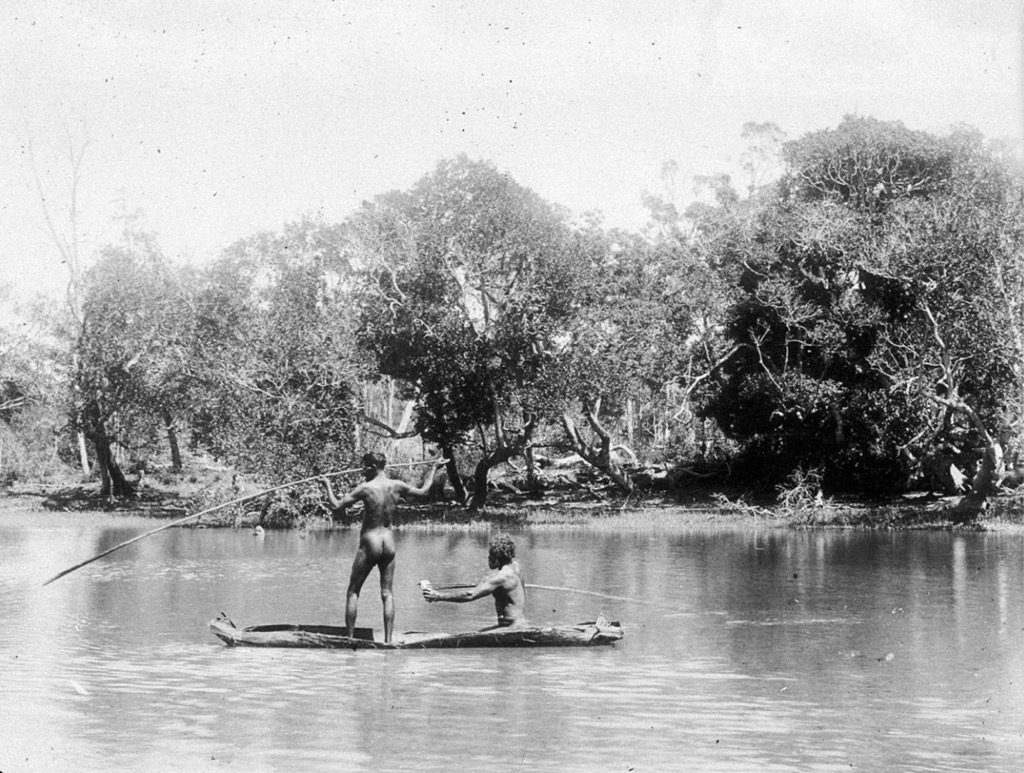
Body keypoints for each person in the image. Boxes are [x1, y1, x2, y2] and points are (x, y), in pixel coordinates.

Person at [320, 453, 444, 643]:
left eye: (365, 467)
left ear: (375, 466)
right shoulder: (397, 485)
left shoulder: (365, 488)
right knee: (388, 593)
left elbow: (336, 505)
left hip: (370, 542)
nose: (362, 470)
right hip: (389, 543)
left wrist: (327, 485)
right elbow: (424, 491)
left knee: (353, 592)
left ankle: (350, 640)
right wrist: (434, 468)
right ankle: (388, 641)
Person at [420, 534, 527, 629]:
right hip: (521, 624)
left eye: (491, 555)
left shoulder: (498, 578)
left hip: (510, 628)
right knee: (478, 632)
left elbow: (469, 595)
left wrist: (438, 596)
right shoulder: (517, 568)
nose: (488, 558)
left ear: (498, 557)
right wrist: (487, 583)